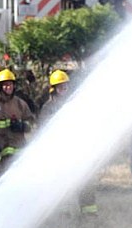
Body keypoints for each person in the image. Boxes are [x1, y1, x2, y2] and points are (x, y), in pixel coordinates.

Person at [40, 69, 97, 215]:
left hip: (77, 150)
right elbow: (44, 131)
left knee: (86, 181)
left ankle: (89, 212)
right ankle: (63, 214)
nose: (63, 90)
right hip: (59, 152)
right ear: (53, 89)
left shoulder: (75, 104)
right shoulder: (48, 108)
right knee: (61, 184)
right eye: (60, 87)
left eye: (65, 86)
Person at [0, 69, 35, 180]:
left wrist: (23, 126)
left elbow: (32, 122)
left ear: (14, 86)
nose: (8, 87)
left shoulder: (20, 104)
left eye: (10, 84)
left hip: (17, 152)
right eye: (4, 85)